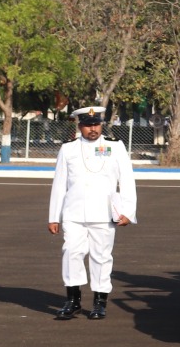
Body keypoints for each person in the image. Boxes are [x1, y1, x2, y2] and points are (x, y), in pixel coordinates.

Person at [47, 107, 137, 321]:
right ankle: (73, 301)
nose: (93, 129)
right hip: (74, 212)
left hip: (104, 212)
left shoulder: (115, 146)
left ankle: (99, 301)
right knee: (70, 253)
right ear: (80, 126)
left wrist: (128, 211)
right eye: (88, 125)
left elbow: (127, 180)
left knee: (101, 257)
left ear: (101, 125)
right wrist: (53, 216)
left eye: (96, 124)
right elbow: (59, 184)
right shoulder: (68, 149)